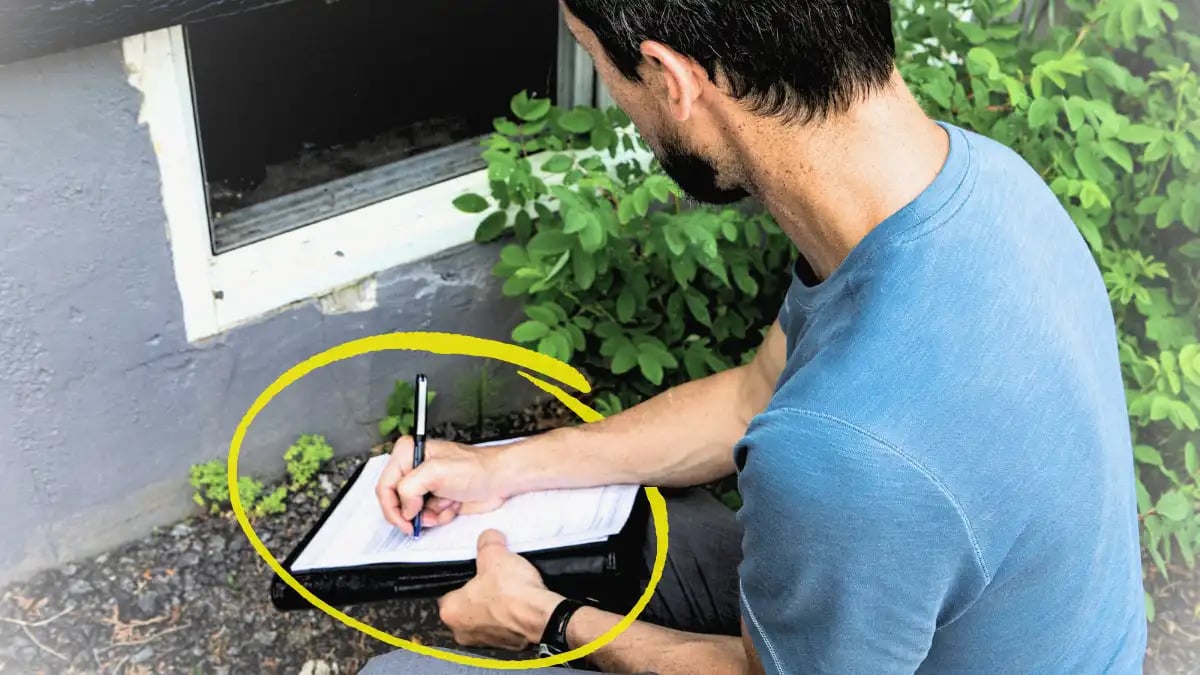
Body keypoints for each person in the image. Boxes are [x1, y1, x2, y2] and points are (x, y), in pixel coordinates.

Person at [362, 1, 1147, 673]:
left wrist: (549, 620)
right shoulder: (977, 183)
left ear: (672, 81)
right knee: (643, 528)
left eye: (601, 69)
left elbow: (837, 462)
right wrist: (500, 469)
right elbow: (751, 396)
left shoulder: (841, 448)